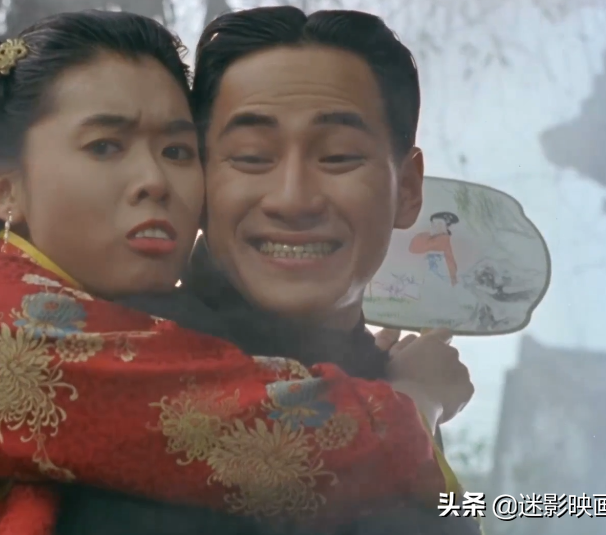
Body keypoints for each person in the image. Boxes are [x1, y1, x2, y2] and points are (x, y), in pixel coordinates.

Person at [0, 9, 464, 535]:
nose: (153, 180)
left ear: (408, 188)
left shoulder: (88, 332)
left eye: (175, 150)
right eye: (105, 146)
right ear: (5, 187)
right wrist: (418, 400)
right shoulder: (30, 331)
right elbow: (277, 440)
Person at [56, 7, 478, 535]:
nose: (292, 200)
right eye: (252, 157)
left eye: (339, 157)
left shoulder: (390, 382)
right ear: (199, 180)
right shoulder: (121, 358)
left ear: (408, 189)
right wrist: (415, 406)